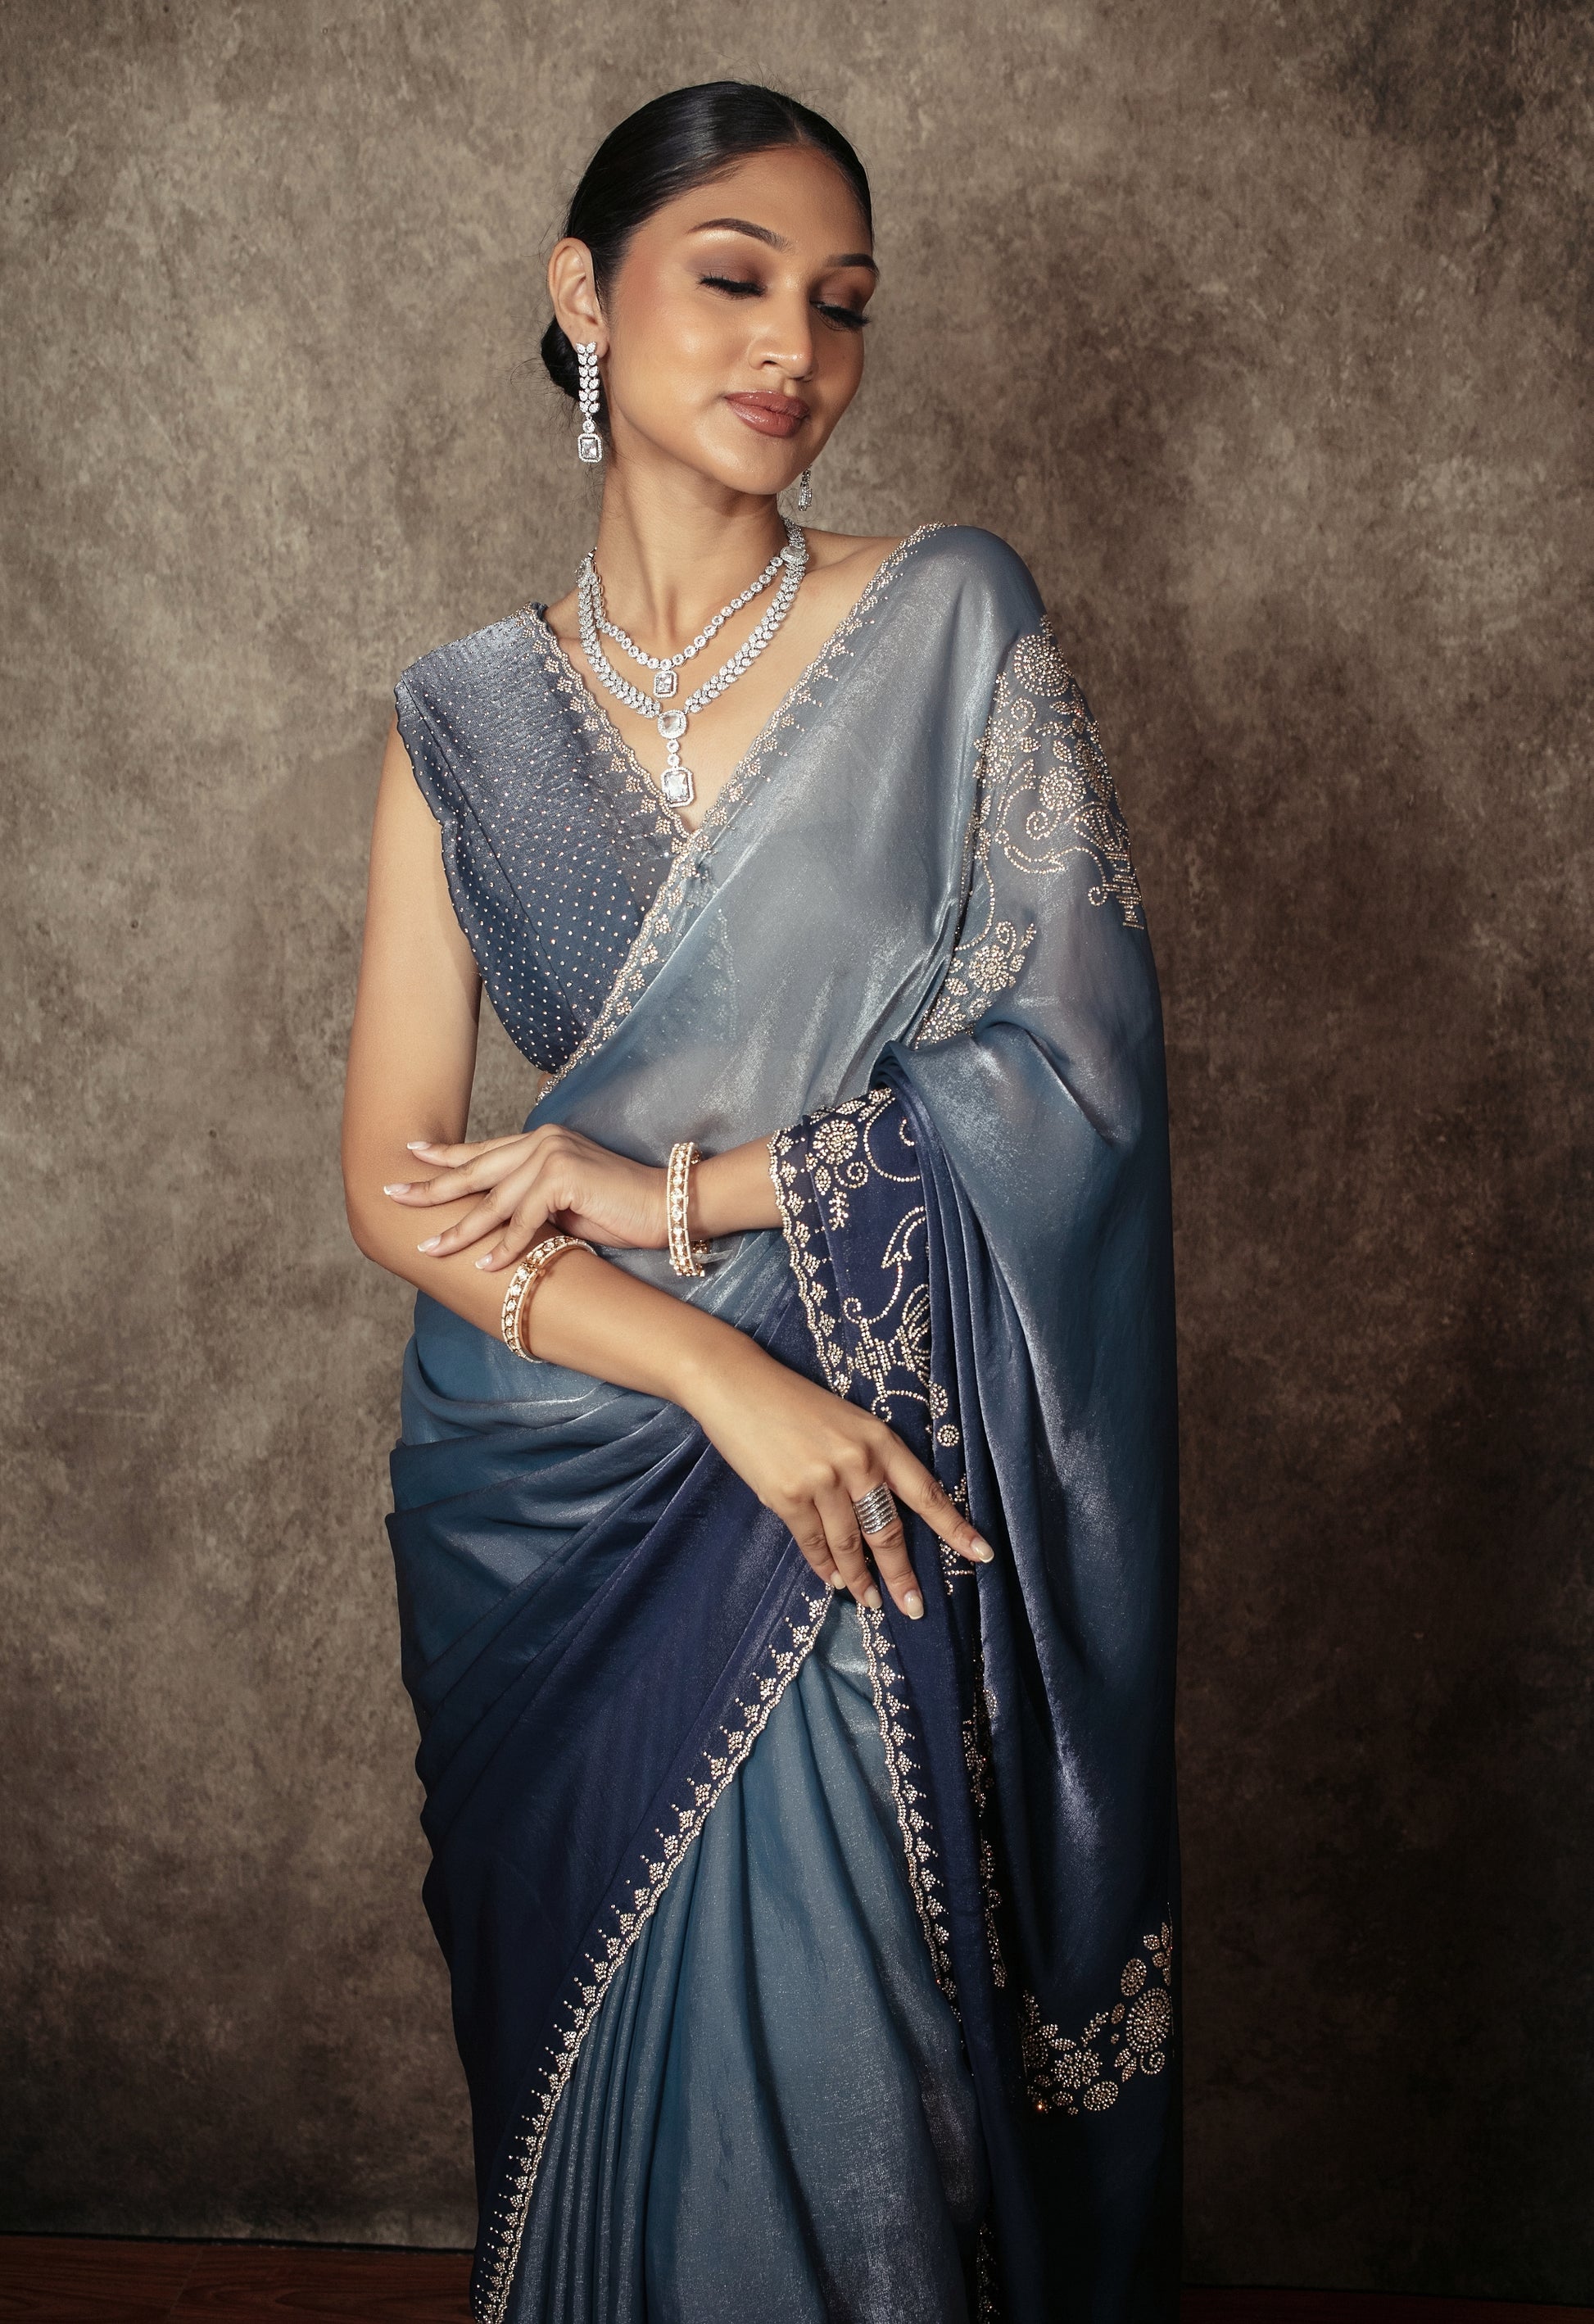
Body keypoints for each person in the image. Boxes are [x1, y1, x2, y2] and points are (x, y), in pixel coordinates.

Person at [342, 79, 1180, 2324]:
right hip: (565, 1483)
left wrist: (681, 1198)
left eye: (842, 302)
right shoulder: (457, 727)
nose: (793, 344)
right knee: (601, 2104)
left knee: (845, 2096)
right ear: (581, 295)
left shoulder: (947, 620)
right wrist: (720, 1375)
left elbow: (1073, 1079)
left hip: (873, 1437)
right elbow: (404, 1186)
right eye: (732, 278)